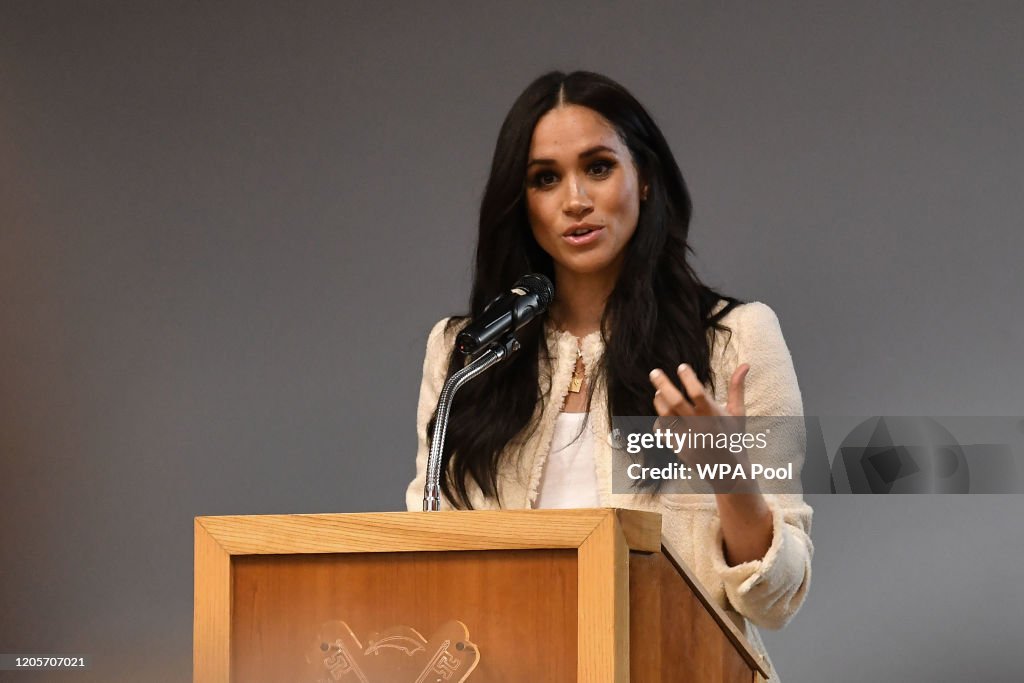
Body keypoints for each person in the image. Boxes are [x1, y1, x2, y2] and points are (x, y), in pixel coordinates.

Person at [406, 71, 811, 681]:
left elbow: (778, 595)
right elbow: (421, 554)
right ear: (523, 204)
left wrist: (729, 476)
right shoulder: (464, 353)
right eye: (546, 178)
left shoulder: (735, 339)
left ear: (644, 179)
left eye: (598, 167)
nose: (575, 200)